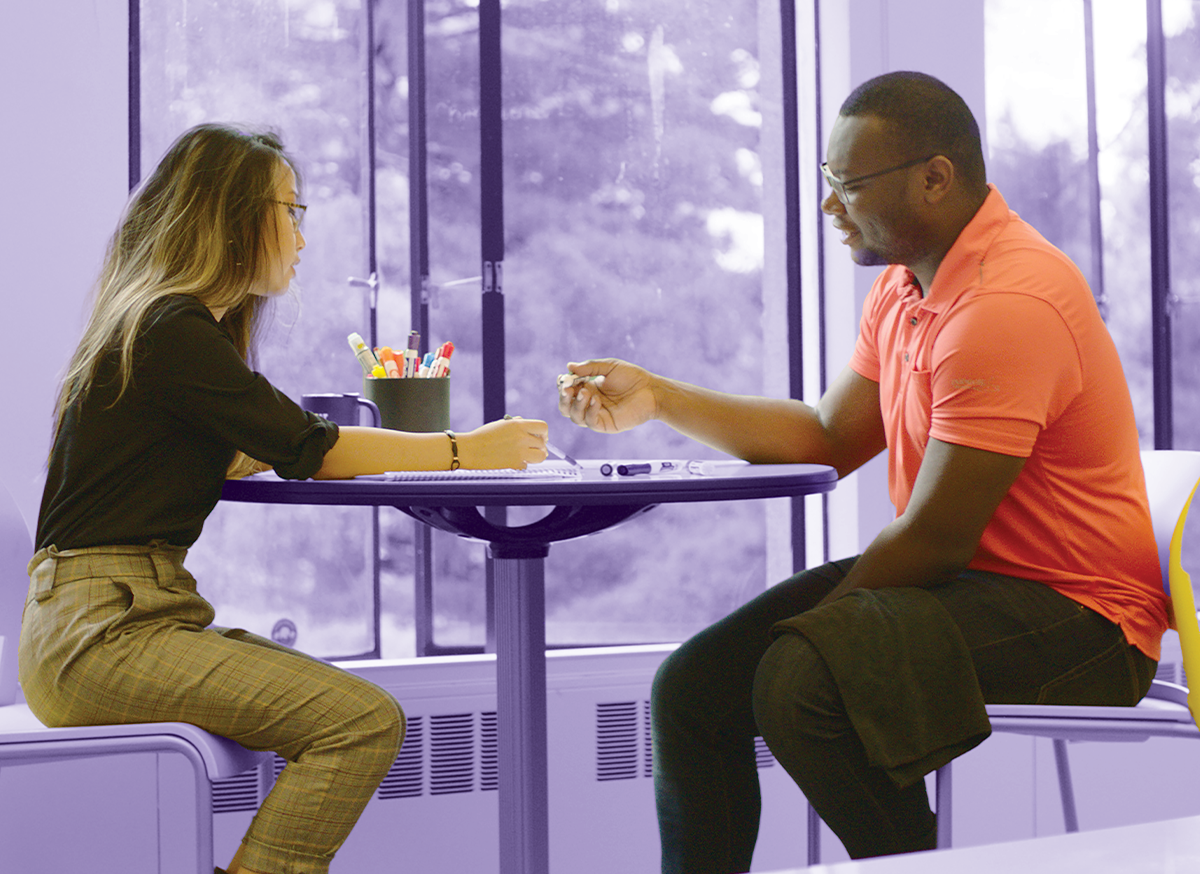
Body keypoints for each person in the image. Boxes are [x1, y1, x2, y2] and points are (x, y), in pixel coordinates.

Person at [558, 72, 1167, 871]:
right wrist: (662, 398)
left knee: (803, 678)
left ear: (935, 178)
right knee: (694, 690)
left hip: (1079, 621)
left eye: (848, 186)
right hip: (965, 585)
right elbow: (825, 436)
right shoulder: (906, 284)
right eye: (827, 183)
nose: (829, 209)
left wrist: (809, 634)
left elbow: (936, 539)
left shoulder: (1005, 306)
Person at [21, 123, 548, 874]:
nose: (302, 236)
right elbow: (314, 450)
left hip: (107, 618)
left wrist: (273, 438)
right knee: (360, 722)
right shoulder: (170, 325)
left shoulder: (157, 326)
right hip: (104, 633)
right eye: (291, 211)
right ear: (234, 216)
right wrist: (470, 449)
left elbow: (255, 449)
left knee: (352, 715)